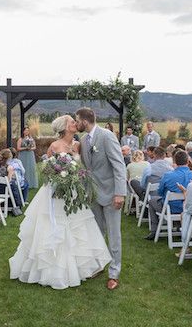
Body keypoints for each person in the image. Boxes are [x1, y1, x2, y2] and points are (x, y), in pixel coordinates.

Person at [10, 114, 112, 290]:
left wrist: (76, 176)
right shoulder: (54, 146)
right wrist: (58, 177)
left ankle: (84, 266)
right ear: (64, 127)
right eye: (72, 122)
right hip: (55, 192)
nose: (75, 123)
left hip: (73, 192)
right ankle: (50, 270)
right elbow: (47, 169)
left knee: (77, 227)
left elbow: (84, 168)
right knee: (53, 227)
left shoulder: (79, 145)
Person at [76, 107, 127, 290]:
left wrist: (120, 193)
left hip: (112, 193)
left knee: (114, 235)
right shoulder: (82, 140)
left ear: (85, 120)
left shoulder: (106, 136)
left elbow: (119, 165)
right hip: (93, 194)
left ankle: (114, 272)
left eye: (77, 120)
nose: (76, 124)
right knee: (96, 233)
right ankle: (98, 265)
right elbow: (86, 168)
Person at [146, 150, 192, 240]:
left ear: (174, 161)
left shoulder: (168, 175)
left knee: (151, 201)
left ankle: (154, 231)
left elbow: (160, 191)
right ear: (187, 161)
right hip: (188, 207)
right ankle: (179, 228)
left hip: (171, 208)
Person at [0, 149, 23, 216]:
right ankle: (18, 205)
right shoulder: (9, 167)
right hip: (4, 189)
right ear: (10, 157)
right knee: (14, 184)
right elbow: (8, 181)